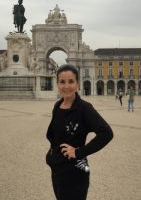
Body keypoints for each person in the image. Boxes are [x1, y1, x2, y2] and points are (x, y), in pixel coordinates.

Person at [46, 64, 113, 200]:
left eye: (71, 81)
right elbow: (56, 137)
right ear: (57, 83)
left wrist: (78, 152)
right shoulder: (58, 106)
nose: (66, 86)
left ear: (77, 83)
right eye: (62, 82)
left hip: (75, 173)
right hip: (57, 170)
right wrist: (51, 156)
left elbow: (106, 133)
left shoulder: (84, 108)